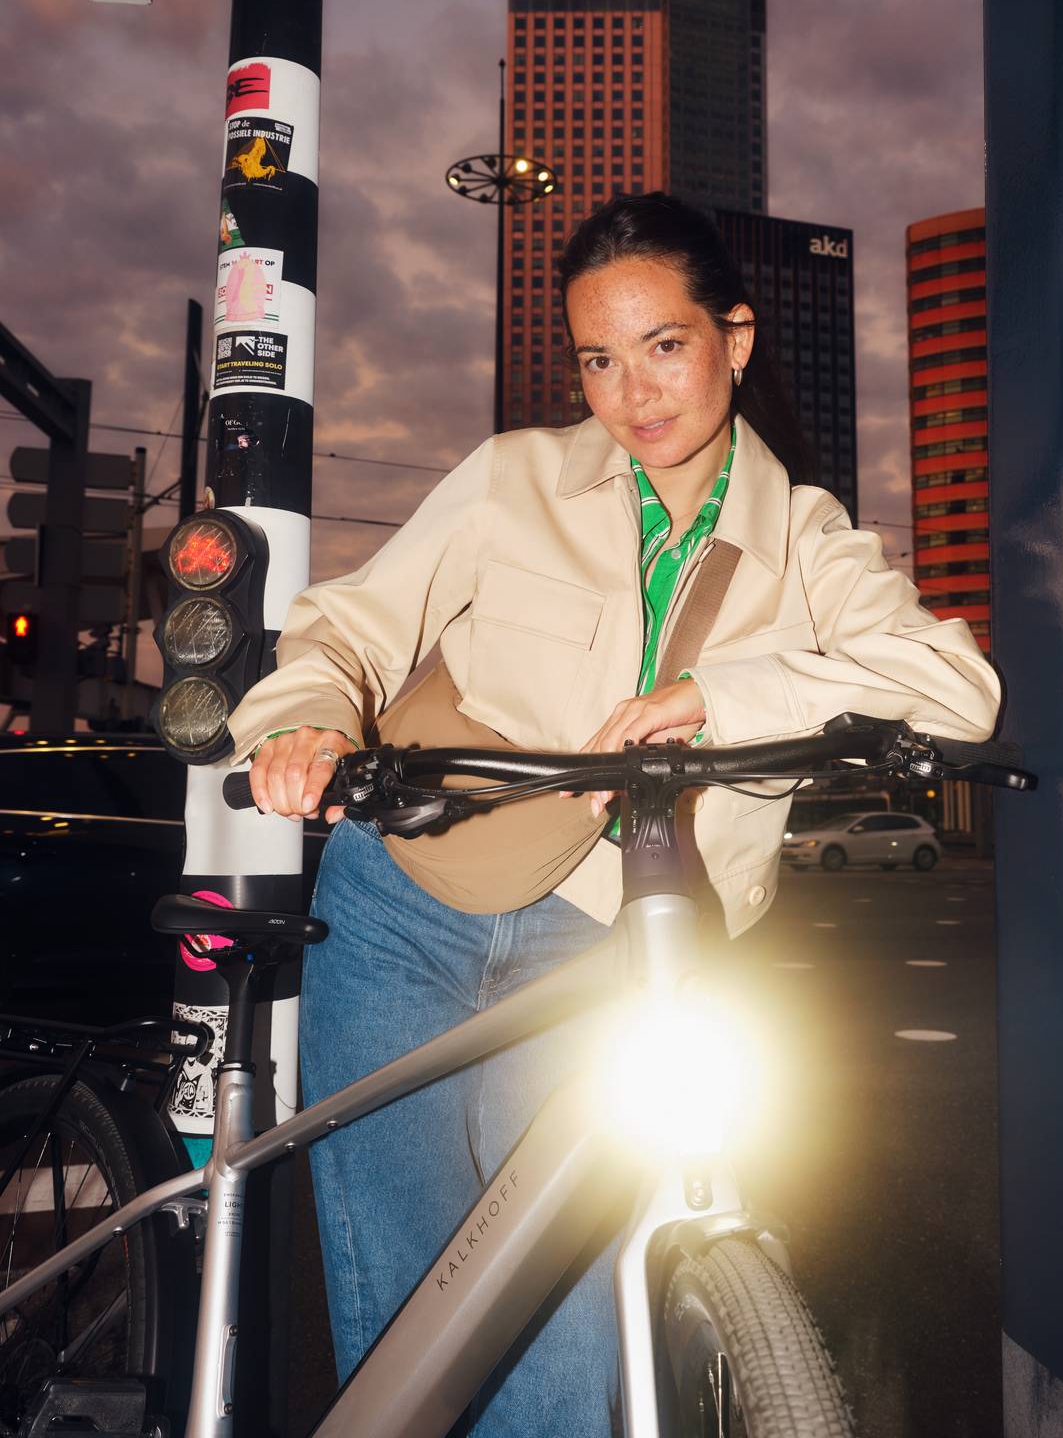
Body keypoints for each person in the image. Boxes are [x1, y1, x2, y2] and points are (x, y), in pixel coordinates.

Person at [228, 192, 1000, 1434]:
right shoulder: (511, 481)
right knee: (405, 1317)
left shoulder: (805, 541)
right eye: (599, 357)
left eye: (665, 345)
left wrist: (719, 693)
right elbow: (350, 627)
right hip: (401, 904)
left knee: (566, 1334)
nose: (632, 391)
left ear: (734, 341)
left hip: (604, 945)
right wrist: (307, 715)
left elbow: (954, 686)